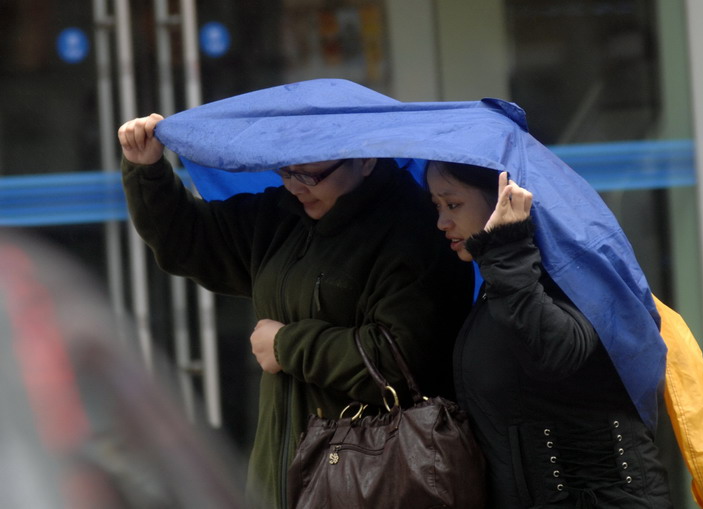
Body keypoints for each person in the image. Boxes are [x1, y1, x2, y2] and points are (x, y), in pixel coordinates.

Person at [117, 113, 474, 508]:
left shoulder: (414, 231)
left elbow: (404, 360)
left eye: (312, 175)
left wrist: (287, 345)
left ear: (365, 159)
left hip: (370, 480)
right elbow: (190, 240)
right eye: (287, 172)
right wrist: (146, 169)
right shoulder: (282, 215)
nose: (296, 187)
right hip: (281, 475)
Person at [425, 161, 673, 508]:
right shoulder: (501, 277)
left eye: (453, 204)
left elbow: (555, 352)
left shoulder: (572, 271)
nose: (442, 222)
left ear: (505, 197)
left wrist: (505, 248)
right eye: (436, 206)